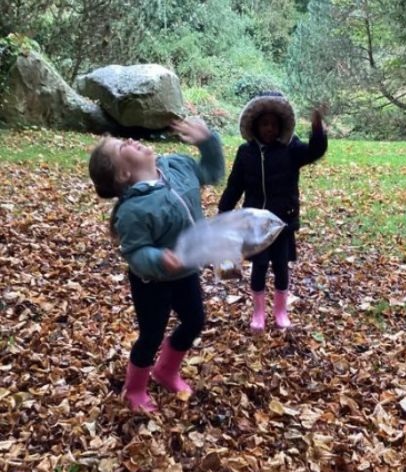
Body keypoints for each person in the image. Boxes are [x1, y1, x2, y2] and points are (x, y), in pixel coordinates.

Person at [88, 118, 225, 411]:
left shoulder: (176, 167)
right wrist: (158, 259)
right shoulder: (132, 210)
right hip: (151, 281)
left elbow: (212, 173)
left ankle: (166, 371)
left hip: (185, 272)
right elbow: (135, 252)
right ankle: (134, 388)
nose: (130, 140)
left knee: (195, 321)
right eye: (122, 146)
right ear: (124, 172)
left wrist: (208, 141)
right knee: (151, 334)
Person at [218, 91, 327, 331]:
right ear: (255, 126)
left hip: (282, 221)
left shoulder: (291, 148)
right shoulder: (245, 152)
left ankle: (280, 311)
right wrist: (223, 212)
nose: (269, 129)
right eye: (264, 124)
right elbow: (235, 184)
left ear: (281, 127)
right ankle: (258, 313)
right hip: (255, 223)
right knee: (259, 265)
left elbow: (314, 151)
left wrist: (318, 130)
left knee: (280, 266)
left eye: (274, 125)